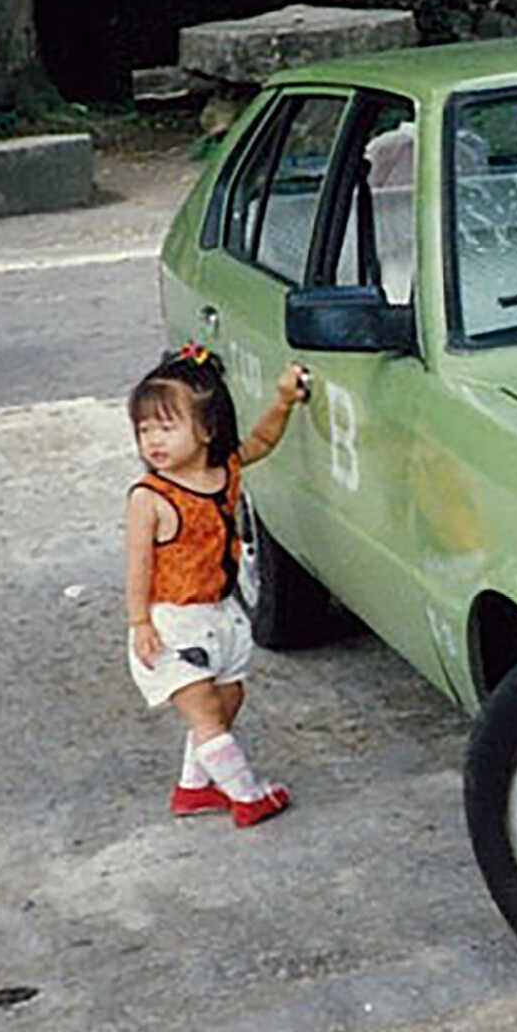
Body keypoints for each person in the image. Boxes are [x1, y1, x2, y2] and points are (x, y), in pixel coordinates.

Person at [124, 344, 310, 826]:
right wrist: (140, 622)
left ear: (207, 430)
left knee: (229, 698)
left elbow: (262, 442)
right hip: (172, 623)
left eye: (167, 427)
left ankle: (194, 788)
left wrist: (284, 401)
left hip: (219, 614)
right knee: (205, 712)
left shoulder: (222, 470)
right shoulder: (149, 498)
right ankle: (247, 794)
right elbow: (137, 568)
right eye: (144, 430)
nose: (153, 440)